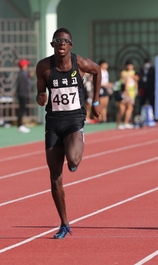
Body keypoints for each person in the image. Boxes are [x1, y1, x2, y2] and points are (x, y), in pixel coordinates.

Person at [35, 27, 101, 239]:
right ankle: (64, 223)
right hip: (53, 122)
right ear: (52, 45)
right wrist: (40, 97)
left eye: (65, 41)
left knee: (73, 159)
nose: (61, 44)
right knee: (55, 178)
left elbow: (98, 70)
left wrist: (96, 101)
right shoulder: (44, 67)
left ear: (70, 45)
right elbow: (40, 92)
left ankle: (79, 140)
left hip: (74, 119)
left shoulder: (79, 63)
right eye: (58, 41)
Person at [114, 60, 137, 130]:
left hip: (128, 93)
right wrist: (128, 96)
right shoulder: (124, 73)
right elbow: (125, 84)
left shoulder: (134, 73)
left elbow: (135, 81)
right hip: (122, 92)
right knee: (122, 109)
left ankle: (125, 123)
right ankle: (119, 124)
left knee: (129, 107)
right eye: (128, 65)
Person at [16, 58, 33, 133]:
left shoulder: (24, 73)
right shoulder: (21, 74)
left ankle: (21, 124)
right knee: (21, 110)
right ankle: (20, 125)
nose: (27, 66)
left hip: (24, 94)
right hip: (22, 94)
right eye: (26, 65)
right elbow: (20, 84)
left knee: (23, 109)